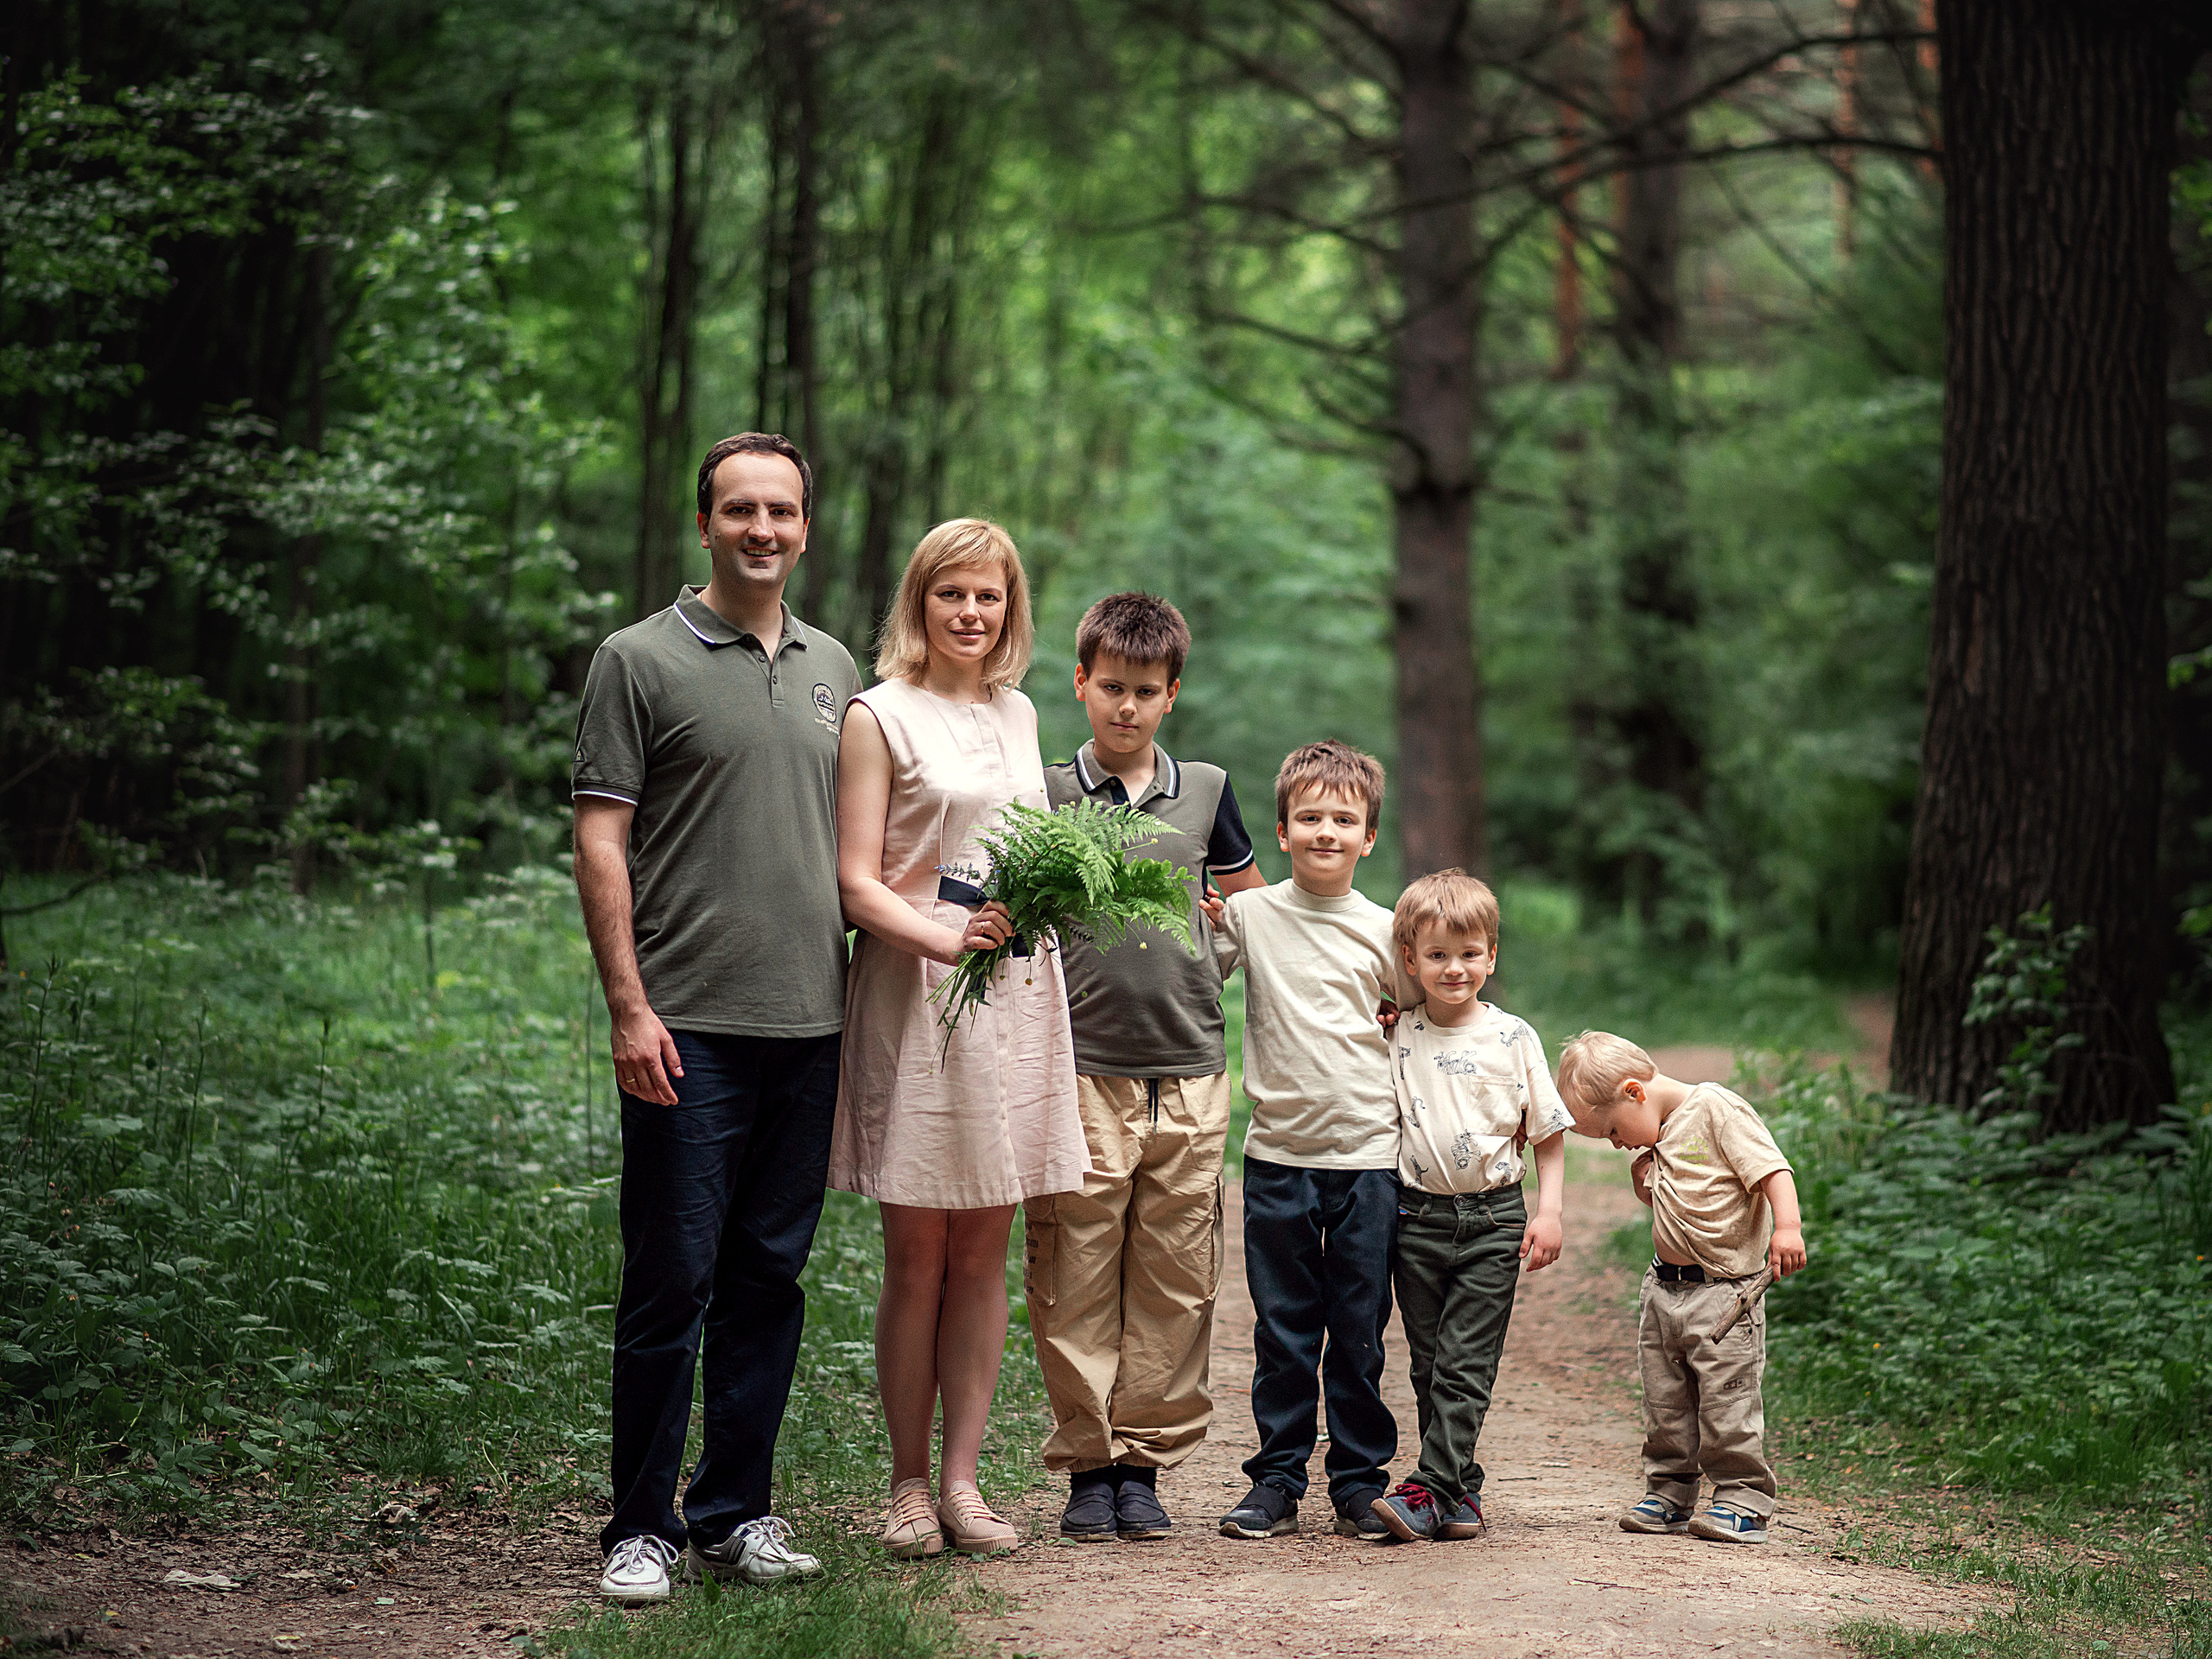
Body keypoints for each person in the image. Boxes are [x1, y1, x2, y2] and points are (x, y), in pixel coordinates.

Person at [571, 432, 859, 1603]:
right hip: (685, 1027)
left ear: (805, 526)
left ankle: (734, 1512)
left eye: (781, 511)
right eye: (739, 509)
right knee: (671, 1281)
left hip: (812, 1026)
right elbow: (601, 839)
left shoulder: (839, 667)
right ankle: (639, 1526)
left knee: (767, 1284)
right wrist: (629, 1009)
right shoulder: (636, 660)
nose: (762, 530)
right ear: (706, 524)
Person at [831, 518, 1088, 1558]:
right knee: (917, 1254)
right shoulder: (874, 714)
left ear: (1009, 609)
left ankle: (964, 1483)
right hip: (915, 997)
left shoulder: (1022, 713)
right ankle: (901, 1487)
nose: (971, 614)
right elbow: (854, 884)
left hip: (1018, 999)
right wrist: (944, 936)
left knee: (985, 1251)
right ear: (919, 604)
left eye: (989, 597)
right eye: (952, 596)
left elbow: (1017, 848)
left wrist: (1043, 902)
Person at [1029, 593, 1268, 1541]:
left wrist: (1222, 952)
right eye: (1112, 689)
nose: (1126, 708)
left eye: (1146, 692)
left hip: (1191, 1066)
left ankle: (1144, 1464)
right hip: (1082, 1068)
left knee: (1175, 1270)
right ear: (1082, 683)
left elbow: (1258, 913)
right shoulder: (1045, 793)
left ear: (1173, 695)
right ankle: (1088, 1464)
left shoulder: (1206, 790)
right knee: (1077, 1264)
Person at [1210, 740, 1405, 1541]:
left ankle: (1359, 1484)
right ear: (1282, 832)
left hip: (1370, 1160)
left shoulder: (1390, 931)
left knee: (1358, 1333)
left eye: (1345, 819)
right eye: (1311, 817)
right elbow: (1191, 980)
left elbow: (1421, 1025)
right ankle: (1276, 1483)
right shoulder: (1250, 915)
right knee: (1284, 1331)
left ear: (1368, 838)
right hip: (1278, 1158)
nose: (1328, 830)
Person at [1366, 869, 1572, 1543]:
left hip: (1493, 1220)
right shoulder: (1399, 1035)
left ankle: (1427, 1490)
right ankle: (1463, 1493)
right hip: (1416, 1220)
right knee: (1429, 1365)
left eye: (1469, 953)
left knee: (1464, 1363)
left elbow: (1546, 1131)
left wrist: (1550, 1213)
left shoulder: (1513, 1037)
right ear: (1411, 961)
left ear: (1491, 955)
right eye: (1436, 955)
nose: (1455, 968)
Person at [1556, 1032, 1809, 1544]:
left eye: (1610, 1130)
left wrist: (1788, 1228)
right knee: (1666, 1402)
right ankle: (1670, 1492)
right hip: (1663, 1291)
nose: (1616, 1142)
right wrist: (1643, 1184)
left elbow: (1771, 1169)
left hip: (1724, 1294)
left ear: (1634, 1093)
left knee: (1726, 1403)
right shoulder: (1657, 1136)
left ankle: (1743, 1497)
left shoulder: (1715, 1108)